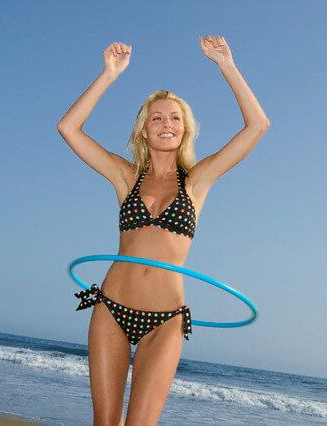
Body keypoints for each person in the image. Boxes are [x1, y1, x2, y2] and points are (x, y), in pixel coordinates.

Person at [57, 35, 270, 426]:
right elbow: (68, 128)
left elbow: (257, 126)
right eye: (156, 117)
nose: (166, 124)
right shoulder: (126, 178)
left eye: (175, 118)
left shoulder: (198, 181)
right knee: (105, 423)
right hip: (111, 308)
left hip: (165, 319)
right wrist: (108, 75)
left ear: (185, 129)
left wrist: (227, 65)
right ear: (143, 130)